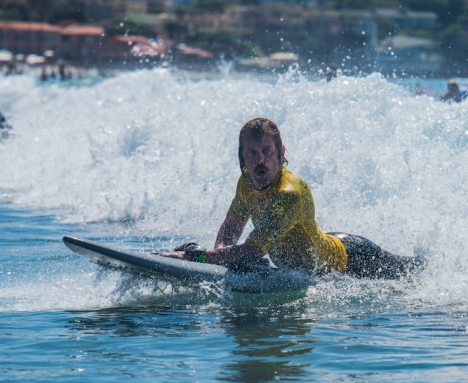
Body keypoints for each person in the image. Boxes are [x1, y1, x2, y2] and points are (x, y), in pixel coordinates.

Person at [156, 118, 424, 279]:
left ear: (281, 151)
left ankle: (435, 260)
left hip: (353, 260)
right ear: (241, 155)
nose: (260, 161)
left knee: (413, 272)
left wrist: (198, 258)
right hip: (325, 243)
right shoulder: (246, 180)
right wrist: (216, 256)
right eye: (251, 153)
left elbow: (251, 251)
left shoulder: (288, 195)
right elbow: (232, 225)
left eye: (266, 151)